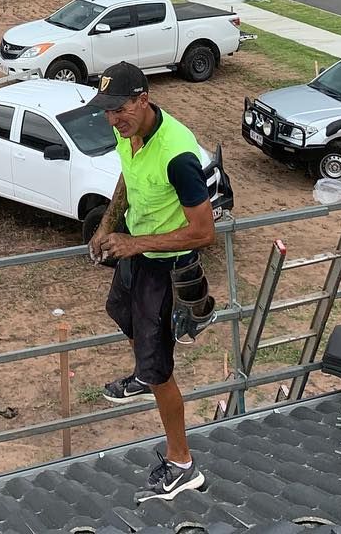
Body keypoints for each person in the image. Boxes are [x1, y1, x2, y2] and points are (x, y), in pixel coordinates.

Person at [85, 61, 216, 503]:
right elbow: (128, 176)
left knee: (161, 370)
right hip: (137, 254)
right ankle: (146, 368)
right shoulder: (131, 133)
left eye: (118, 109)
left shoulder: (178, 155)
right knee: (118, 310)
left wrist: (136, 243)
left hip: (167, 267)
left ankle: (182, 465)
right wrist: (107, 226)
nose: (112, 120)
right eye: (106, 112)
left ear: (143, 99)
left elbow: (204, 231)